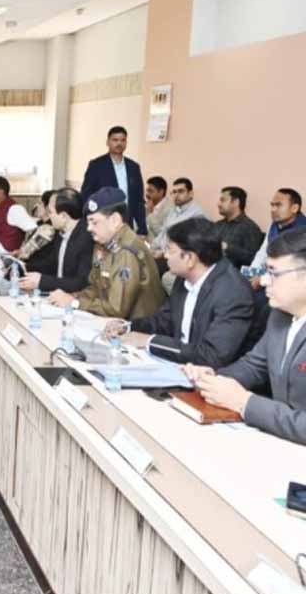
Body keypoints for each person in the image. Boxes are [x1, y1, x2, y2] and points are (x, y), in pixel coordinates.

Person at [183, 229, 306, 445]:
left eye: (274, 273)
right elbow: (254, 366)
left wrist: (245, 402)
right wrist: (213, 379)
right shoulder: (280, 315)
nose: (264, 281)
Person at [109, 217, 253, 367]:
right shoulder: (185, 276)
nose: (165, 256)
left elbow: (212, 355)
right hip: (177, 364)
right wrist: (128, 327)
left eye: (170, 250)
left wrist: (150, 341)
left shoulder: (233, 292)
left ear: (190, 259)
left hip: (208, 375)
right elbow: (165, 319)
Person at [50, 187, 165, 319]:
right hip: (113, 322)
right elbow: (95, 287)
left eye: (94, 222)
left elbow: (117, 309)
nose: (89, 228)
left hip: (138, 326)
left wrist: (75, 303)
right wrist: (73, 297)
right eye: (88, 222)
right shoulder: (103, 244)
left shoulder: (126, 251)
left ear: (115, 220)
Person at [19, 188, 94, 293]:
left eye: (50, 212)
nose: (48, 216)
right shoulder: (61, 232)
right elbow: (51, 264)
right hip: (57, 293)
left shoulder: (87, 238)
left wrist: (42, 281)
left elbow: (80, 282)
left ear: (63, 216)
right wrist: (22, 267)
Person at [80, 126, 147, 235]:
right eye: (115, 140)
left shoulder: (133, 167)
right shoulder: (96, 165)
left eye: (123, 140)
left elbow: (139, 201)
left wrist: (142, 228)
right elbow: (86, 195)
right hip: (103, 221)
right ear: (108, 142)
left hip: (126, 223)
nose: (119, 143)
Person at [249, 188, 306, 279]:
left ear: (294, 208)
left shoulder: (303, 231)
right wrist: (251, 273)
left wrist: (262, 279)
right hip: (268, 276)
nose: (273, 209)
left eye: (278, 205)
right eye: (272, 205)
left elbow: (296, 268)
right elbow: (263, 253)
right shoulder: (274, 225)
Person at [151, 178, 206, 256]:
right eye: (174, 192)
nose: (176, 195)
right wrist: (151, 248)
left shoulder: (197, 215)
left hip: (179, 258)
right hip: (162, 254)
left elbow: (191, 245)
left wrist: (163, 253)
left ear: (191, 193)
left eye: (181, 191)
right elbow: (163, 234)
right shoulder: (173, 211)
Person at [215, 186, 264, 270]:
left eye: (223, 200)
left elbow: (253, 258)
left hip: (233, 274)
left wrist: (227, 248)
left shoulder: (249, 227)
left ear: (236, 202)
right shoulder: (218, 225)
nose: (218, 204)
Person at [17, 190, 57, 266]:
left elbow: (25, 253)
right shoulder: (39, 223)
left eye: (40, 203)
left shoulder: (48, 228)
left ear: (48, 207)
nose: (37, 206)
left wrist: (18, 253)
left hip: (34, 267)